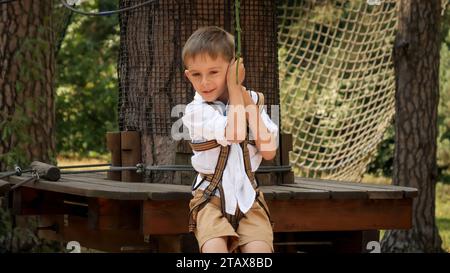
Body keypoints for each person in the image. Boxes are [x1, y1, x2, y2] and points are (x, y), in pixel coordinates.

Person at [181, 26, 279, 253]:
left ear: (233, 67)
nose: (205, 82)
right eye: (196, 74)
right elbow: (234, 133)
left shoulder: (254, 100)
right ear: (188, 75)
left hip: (249, 201)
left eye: (214, 72)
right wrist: (235, 89)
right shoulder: (194, 111)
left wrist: (248, 105)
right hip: (209, 199)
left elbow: (269, 151)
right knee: (215, 249)